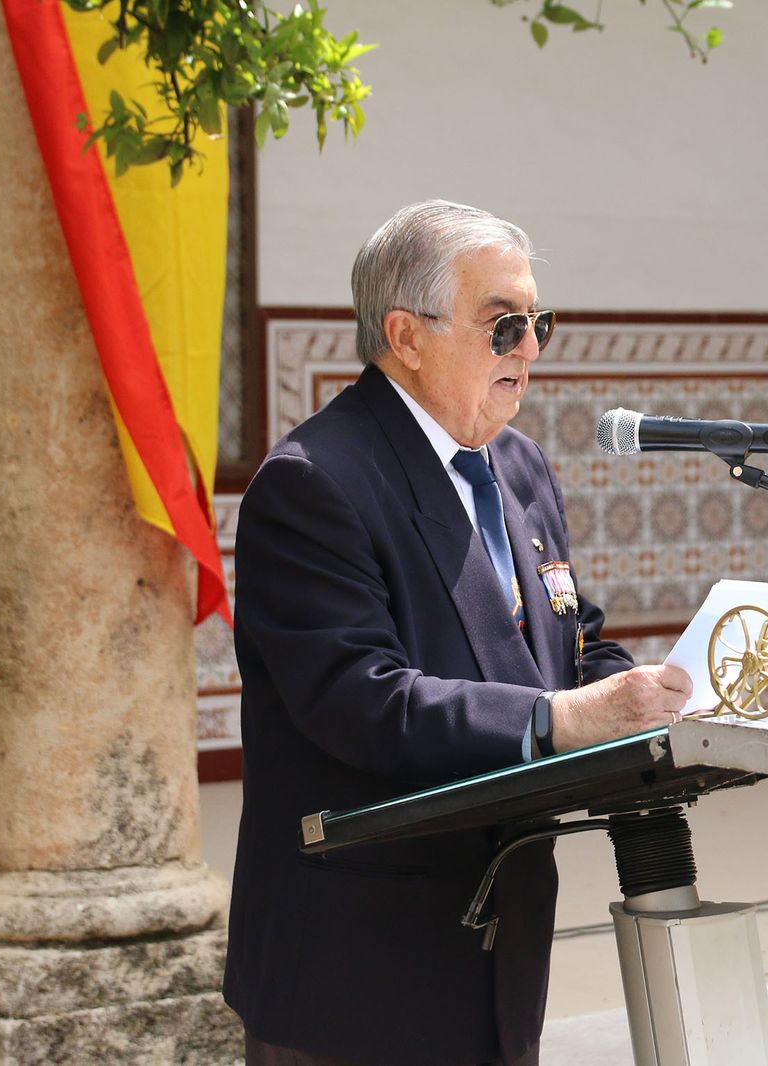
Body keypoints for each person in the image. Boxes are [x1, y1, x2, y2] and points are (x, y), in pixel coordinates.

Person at [223, 199, 692, 1066]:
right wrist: (558, 718)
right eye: (503, 326)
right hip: (358, 964)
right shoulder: (313, 483)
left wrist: (654, 692)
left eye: (537, 321)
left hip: (501, 936)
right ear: (405, 334)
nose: (530, 349)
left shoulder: (517, 464)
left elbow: (572, 641)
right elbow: (358, 701)